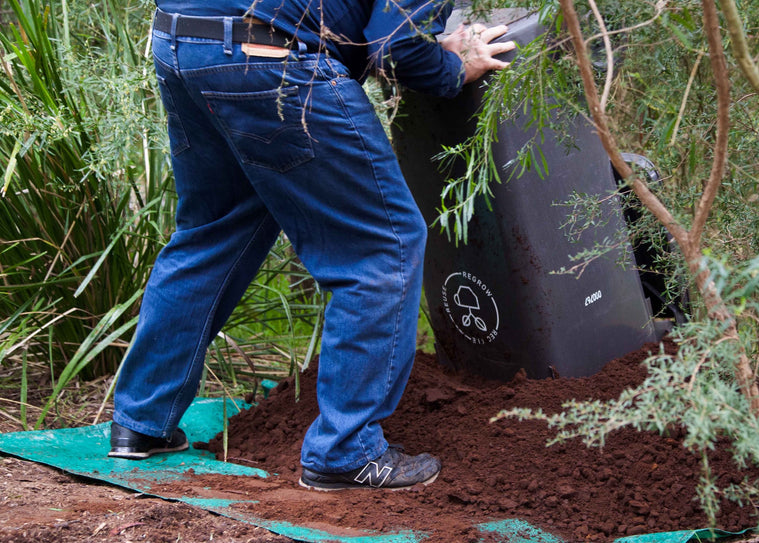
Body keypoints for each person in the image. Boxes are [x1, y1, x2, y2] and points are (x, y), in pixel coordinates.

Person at [108, 0, 514, 491]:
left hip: (181, 41)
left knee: (215, 231)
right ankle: (346, 452)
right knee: (383, 247)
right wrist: (451, 67)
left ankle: (140, 422)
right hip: (267, 57)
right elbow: (395, 45)